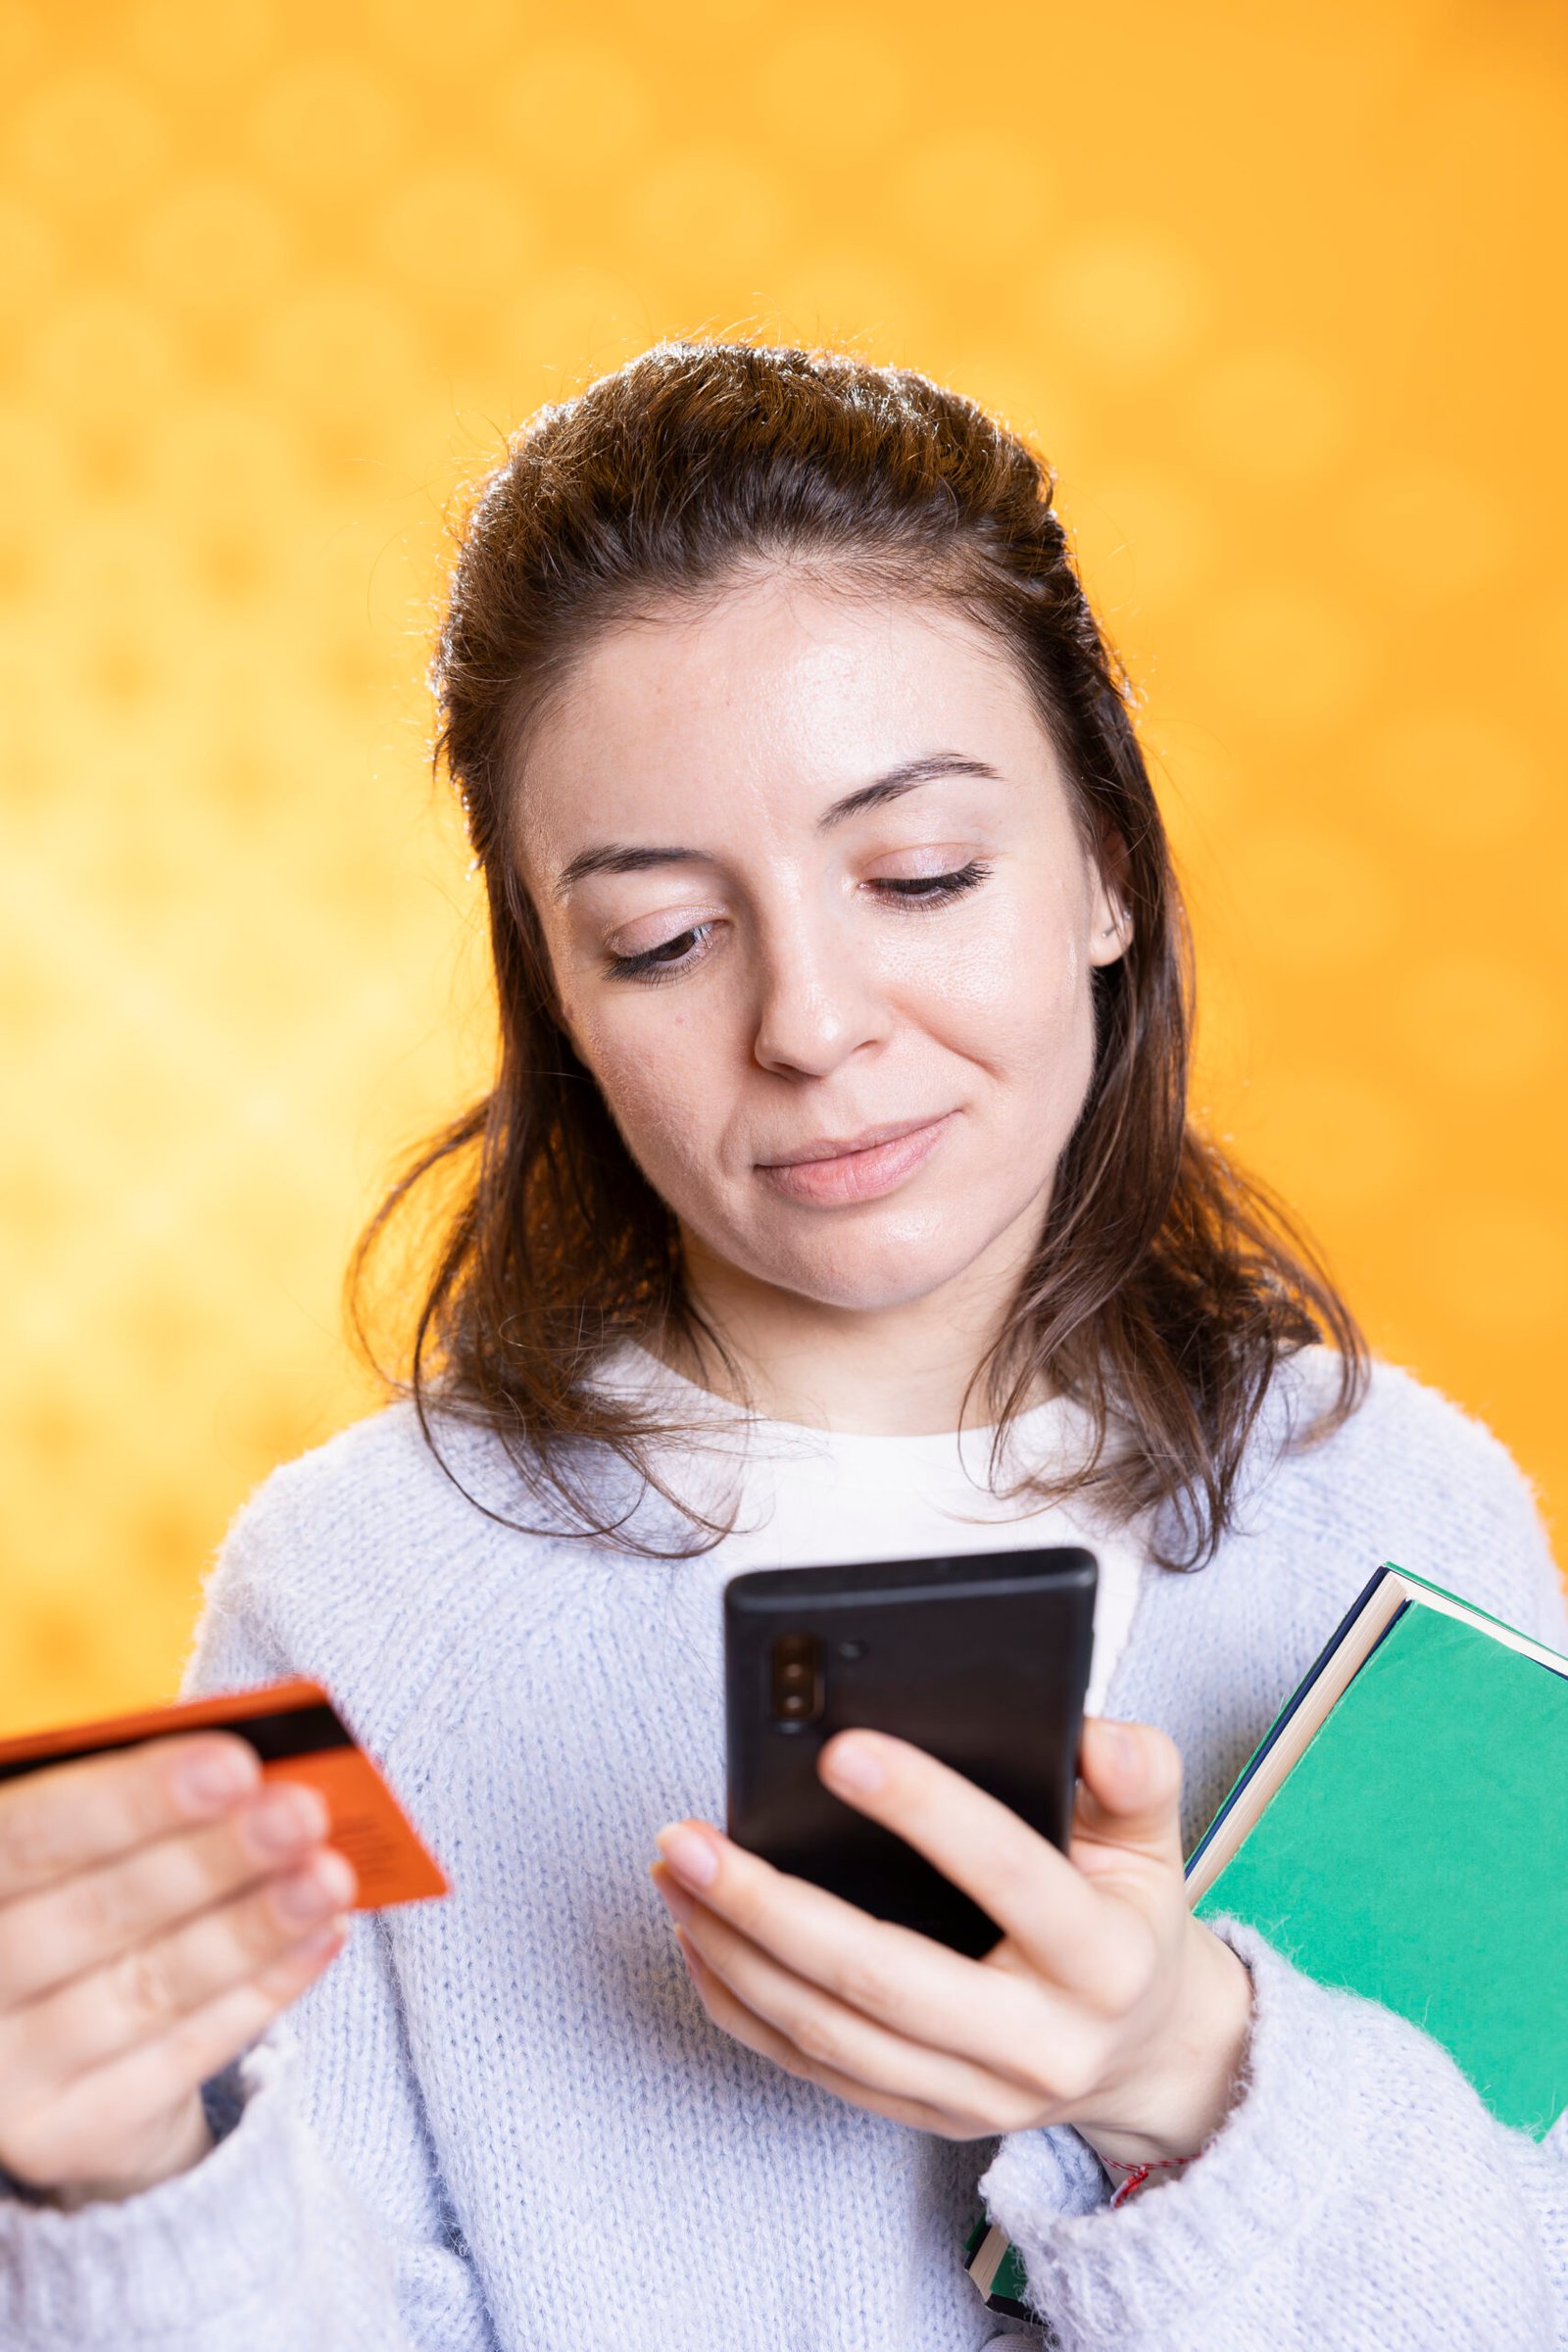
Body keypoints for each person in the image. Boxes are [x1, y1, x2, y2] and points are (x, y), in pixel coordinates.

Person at [0, 342, 1563, 2352]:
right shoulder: (362, 1587)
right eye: (660, 937)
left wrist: (1182, 2070)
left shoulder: (1394, 1505)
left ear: (1104, 864)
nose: (809, 1020)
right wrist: (118, 2178)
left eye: (916, 874)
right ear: (555, 997)